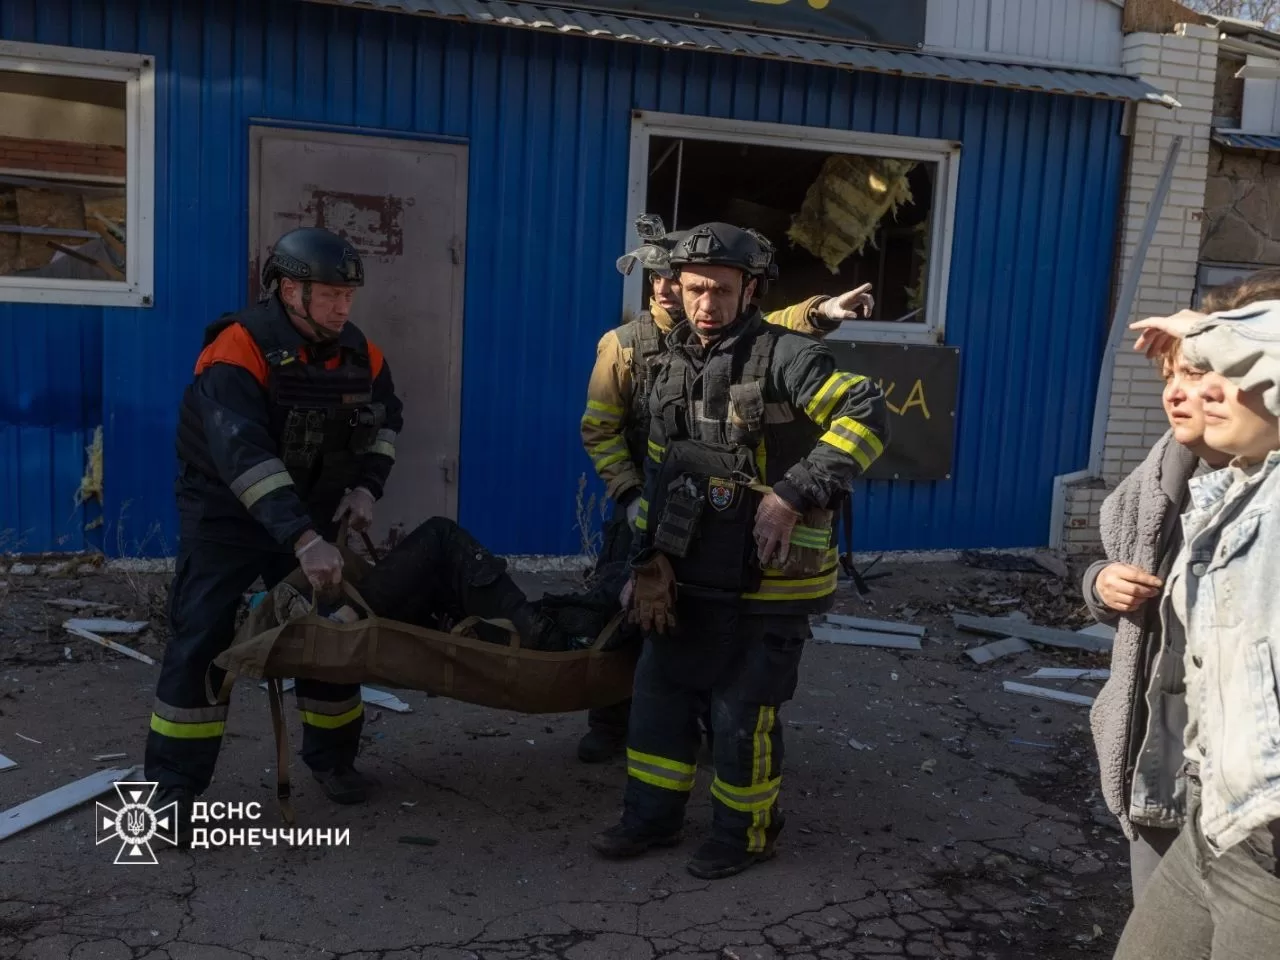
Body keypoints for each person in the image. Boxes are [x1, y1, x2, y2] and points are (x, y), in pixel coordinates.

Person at [590, 221, 889, 879]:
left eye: (720, 290)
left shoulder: (786, 356)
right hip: (686, 573)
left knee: (739, 713)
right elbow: (665, 467)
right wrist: (645, 560)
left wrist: (792, 492)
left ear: (749, 290)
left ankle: (745, 833)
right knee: (659, 698)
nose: (704, 304)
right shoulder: (669, 361)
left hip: (770, 579)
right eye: (693, 289)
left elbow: (866, 414)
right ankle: (651, 818)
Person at [146, 227, 404, 838]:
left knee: (330, 634)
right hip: (227, 517)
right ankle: (174, 790)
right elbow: (243, 458)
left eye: (350, 295)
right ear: (289, 288)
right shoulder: (237, 350)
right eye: (332, 294)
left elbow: (387, 421)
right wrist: (304, 540)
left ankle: (335, 762)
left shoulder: (360, 353)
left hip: (307, 513)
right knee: (203, 637)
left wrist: (367, 485)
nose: (344, 307)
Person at [1082, 275, 1280, 902]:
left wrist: (1209, 331)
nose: (1182, 394)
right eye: (1172, 377)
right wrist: (1098, 585)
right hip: (1166, 758)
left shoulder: (1262, 495)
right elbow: (1113, 566)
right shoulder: (1168, 479)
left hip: (1252, 801)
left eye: (1205, 372)